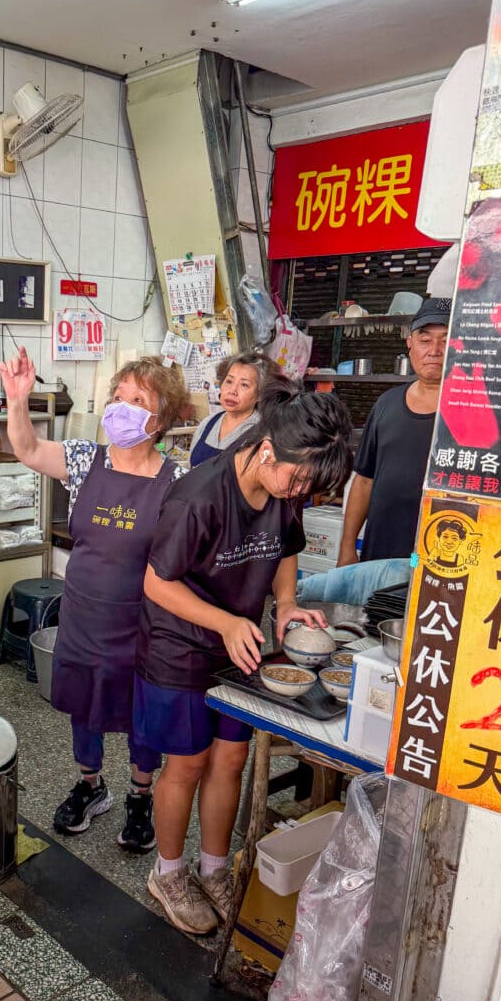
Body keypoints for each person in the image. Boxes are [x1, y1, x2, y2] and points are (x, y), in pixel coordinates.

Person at [133, 379, 353, 933]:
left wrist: (284, 605)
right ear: (266, 450)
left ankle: (213, 871)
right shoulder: (199, 497)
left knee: (230, 759)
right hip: (179, 646)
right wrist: (228, 620)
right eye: (297, 478)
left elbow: (285, 549)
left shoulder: (286, 488)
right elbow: (158, 583)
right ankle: (169, 872)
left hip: (240, 646)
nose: (298, 491)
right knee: (187, 763)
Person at [1, 347, 189, 852]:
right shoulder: (87, 459)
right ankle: (90, 784)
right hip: (83, 612)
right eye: (118, 396)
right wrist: (17, 400)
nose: (121, 407)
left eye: (137, 399)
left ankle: (139, 794)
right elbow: (27, 449)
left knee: (139, 712)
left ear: (162, 418)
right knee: (84, 703)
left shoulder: (177, 483)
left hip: (144, 621)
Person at [338, 298, 451, 566]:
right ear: (410, 343)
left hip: (441, 560)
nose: (434, 350)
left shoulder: (473, 412)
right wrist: (347, 546)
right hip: (379, 554)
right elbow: (364, 481)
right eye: (425, 340)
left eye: (446, 340)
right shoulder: (386, 404)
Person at [189, 351, 276, 468]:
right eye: (229, 381)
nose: (232, 391)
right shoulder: (207, 424)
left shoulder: (263, 434)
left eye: (244, 385)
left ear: (260, 394)